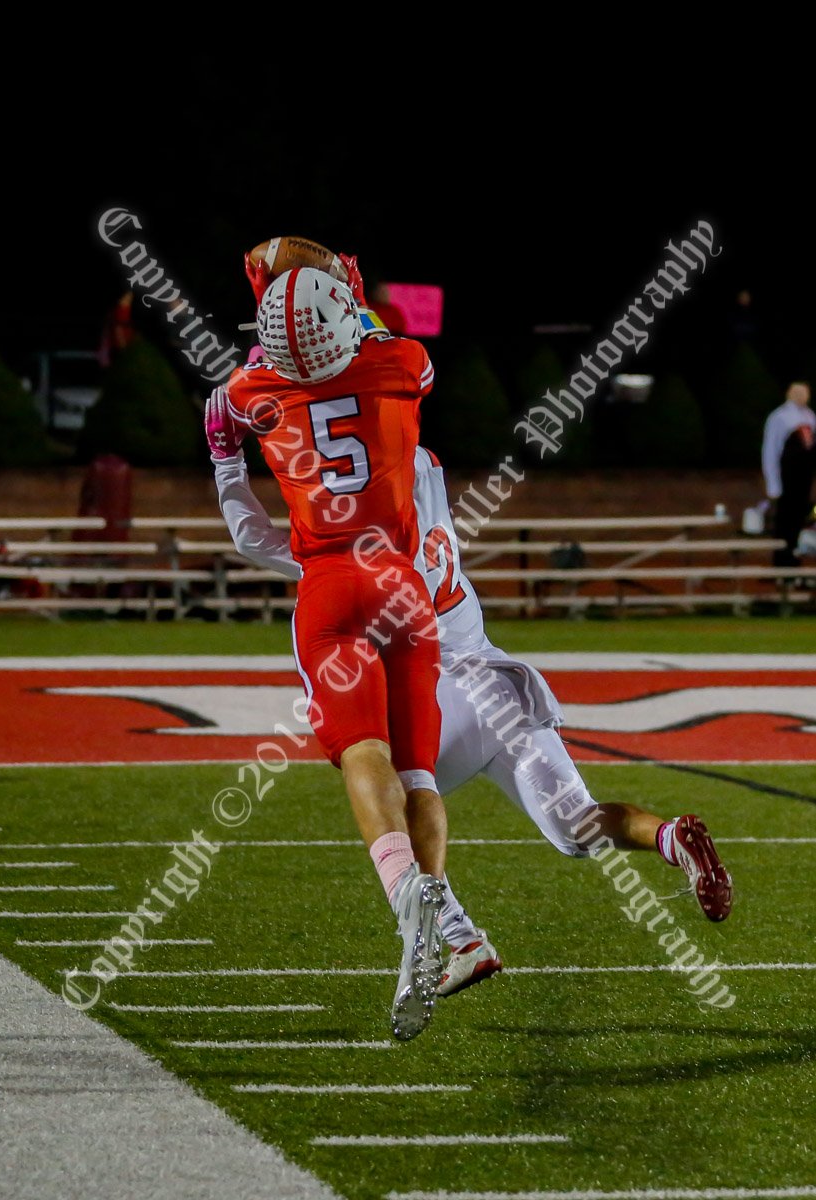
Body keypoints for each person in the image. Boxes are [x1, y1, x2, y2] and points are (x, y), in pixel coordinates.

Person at [208, 317, 735, 1003]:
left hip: (445, 691)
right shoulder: (418, 463)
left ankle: (459, 938)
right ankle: (668, 838)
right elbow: (378, 408)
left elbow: (255, 538)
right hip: (498, 682)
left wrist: (227, 457)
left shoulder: (347, 520)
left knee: (387, 802)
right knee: (576, 829)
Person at [208, 260, 447, 1042]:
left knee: (361, 754)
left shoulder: (250, 395)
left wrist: (222, 455)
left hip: (330, 585)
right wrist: (345, 291)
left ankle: (403, 893)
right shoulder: (400, 362)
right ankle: (434, 916)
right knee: (416, 770)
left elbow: (247, 524)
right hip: (402, 586)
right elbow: (380, 341)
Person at [761, 381, 816, 568]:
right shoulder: (780, 416)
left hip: (805, 477)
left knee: (801, 519)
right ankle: (782, 562)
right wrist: (773, 484)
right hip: (787, 477)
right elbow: (771, 450)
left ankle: (795, 559)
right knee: (785, 520)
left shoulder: (810, 416)